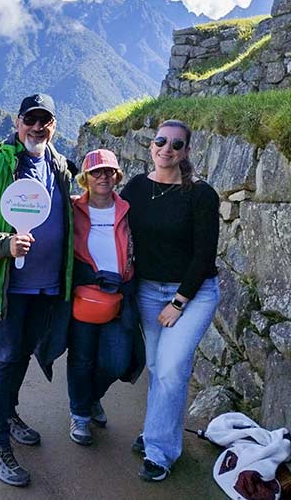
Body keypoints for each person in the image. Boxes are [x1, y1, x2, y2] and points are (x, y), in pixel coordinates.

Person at [0, 93, 75, 487]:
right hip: (11, 287)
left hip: (46, 287)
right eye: (31, 120)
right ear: (18, 122)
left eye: (45, 121)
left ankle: (8, 413)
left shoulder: (60, 167)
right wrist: (5, 245)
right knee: (4, 357)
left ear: (53, 126)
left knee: (23, 353)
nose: (37, 128)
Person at [120, 119, 220, 482]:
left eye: (177, 145)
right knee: (157, 366)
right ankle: (154, 432)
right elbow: (108, 219)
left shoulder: (201, 196)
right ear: (151, 145)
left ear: (186, 152)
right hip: (149, 290)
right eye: (161, 141)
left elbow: (204, 257)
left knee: (171, 368)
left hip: (193, 294)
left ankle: (159, 452)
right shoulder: (135, 189)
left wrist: (178, 302)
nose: (167, 149)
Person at [66, 149, 145, 446]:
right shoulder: (73, 209)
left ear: (117, 176)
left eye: (109, 171)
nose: (103, 177)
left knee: (116, 360)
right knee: (82, 358)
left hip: (119, 297)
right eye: (96, 172)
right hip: (85, 296)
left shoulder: (126, 208)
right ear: (85, 178)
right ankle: (80, 415)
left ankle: (91, 398)